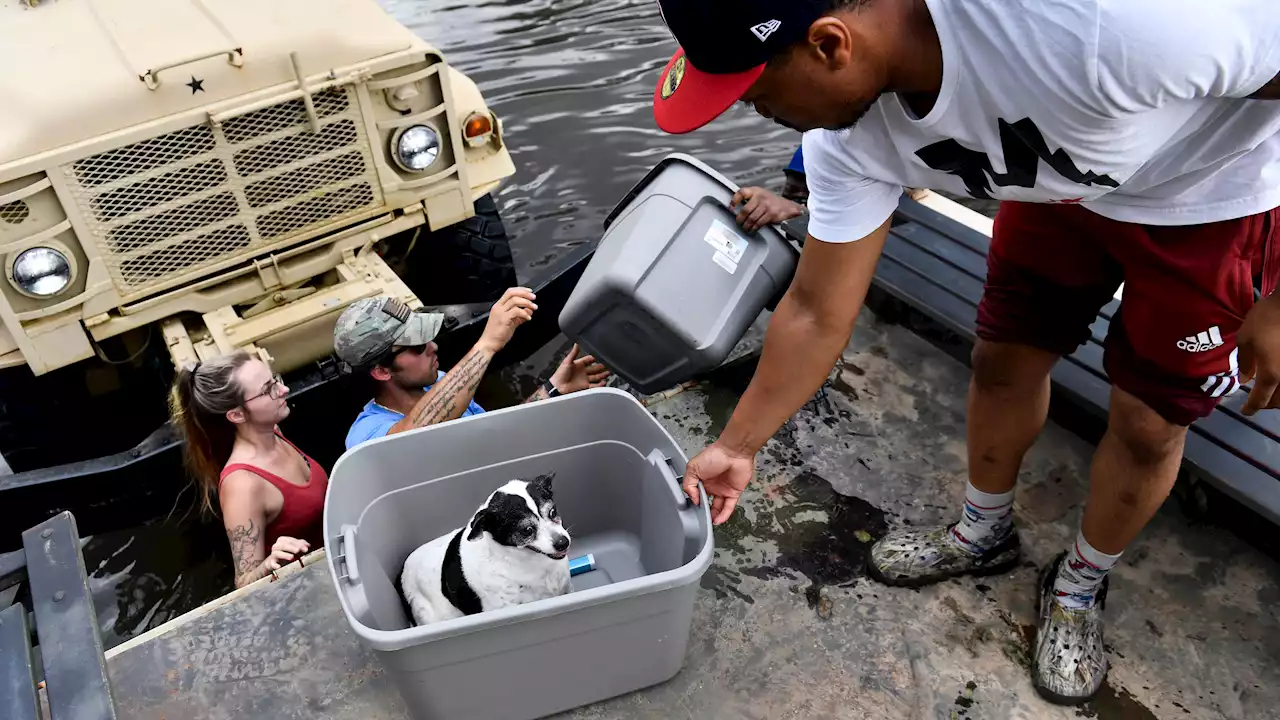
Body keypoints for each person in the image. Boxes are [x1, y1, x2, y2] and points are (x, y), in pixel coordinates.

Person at [650, 0, 1280, 704]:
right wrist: (740, 444)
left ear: (831, 46)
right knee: (1002, 361)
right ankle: (983, 531)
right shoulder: (847, 141)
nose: (759, 114)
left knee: (1148, 423)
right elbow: (815, 308)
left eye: (758, 95)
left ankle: (1080, 581)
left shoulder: (1112, 24)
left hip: (1207, 202)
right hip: (1057, 183)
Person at [336, 288, 611, 449]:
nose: (433, 347)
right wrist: (488, 343)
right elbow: (410, 439)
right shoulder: (366, 438)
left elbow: (496, 438)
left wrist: (552, 389)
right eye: (418, 347)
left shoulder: (439, 383)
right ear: (382, 371)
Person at [170, 351, 326, 589]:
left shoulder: (274, 432)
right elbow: (243, 584)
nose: (283, 391)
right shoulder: (243, 485)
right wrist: (269, 565)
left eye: (275, 380)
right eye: (268, 390)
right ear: (236, 414)